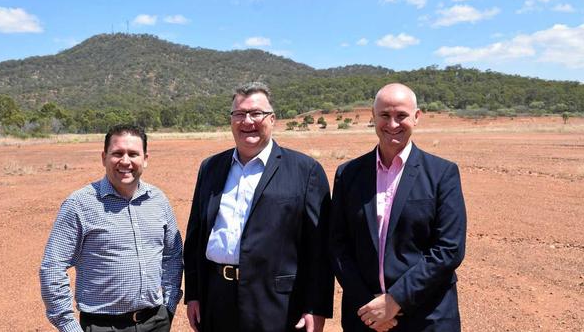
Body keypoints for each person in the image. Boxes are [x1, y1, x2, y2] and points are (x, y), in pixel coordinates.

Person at [184, 82, 334, 332]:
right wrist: (194, 294)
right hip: (216, 298)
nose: (247, 121)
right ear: (231, 120)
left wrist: (315, 307)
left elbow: (319, 248)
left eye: (256, 114)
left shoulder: (305, 171)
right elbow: (196, 236)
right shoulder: (210, 167)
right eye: (239, 114)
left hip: (276, 303)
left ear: (272, 119)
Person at [330, 83, 467, 331]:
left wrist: (395, 300)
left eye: (401, 115)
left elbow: (449, 248)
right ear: (373, 117)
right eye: (384, 115)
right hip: (365, 318)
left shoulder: (442, 173)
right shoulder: (348, 174)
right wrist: (369, 306)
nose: (392, 124)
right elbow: (338, 245)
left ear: (416, 117)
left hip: (428, 317)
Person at [40, 124, 183, 332]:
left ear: (145, 159)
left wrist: (168, 307)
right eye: (117, 153)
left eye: (133, 154)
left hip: (155, 322)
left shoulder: (158, 200)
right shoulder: (80, 204)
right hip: (103, 326)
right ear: (104, 157)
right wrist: (68, 325)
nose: (125, 161)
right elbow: (52, 267)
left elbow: (173, 255)